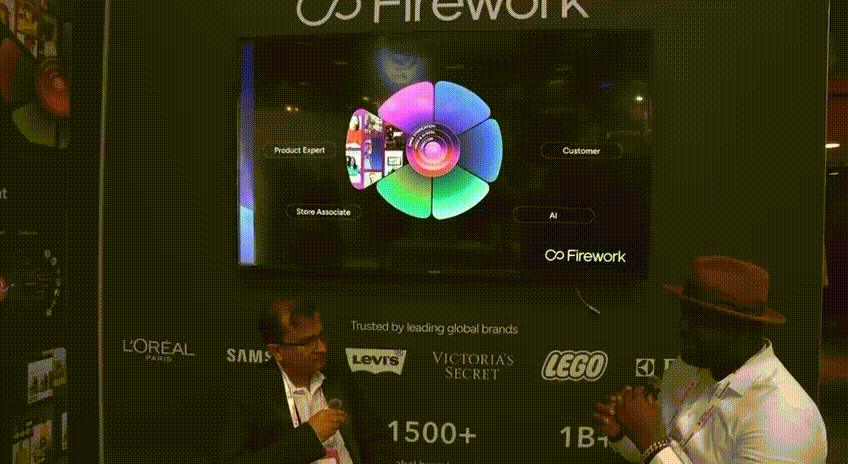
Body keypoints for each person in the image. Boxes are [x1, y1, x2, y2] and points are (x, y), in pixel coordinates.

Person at [593, 255, 827, 464]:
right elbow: (662, 457)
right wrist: (624, 433)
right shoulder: (684, 368)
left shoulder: (786, 417)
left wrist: (651, 443)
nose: (682, 326)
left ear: (741, 328)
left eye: (698, 318)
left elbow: (656, 451)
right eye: (684, 312)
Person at [221, 296, 396, 464]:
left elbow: (377, 437)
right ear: (277, 351)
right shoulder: (252, 391)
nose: (322, 348)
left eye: (321, 336)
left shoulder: (336, 372)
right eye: (308, 342)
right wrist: (310, 436)